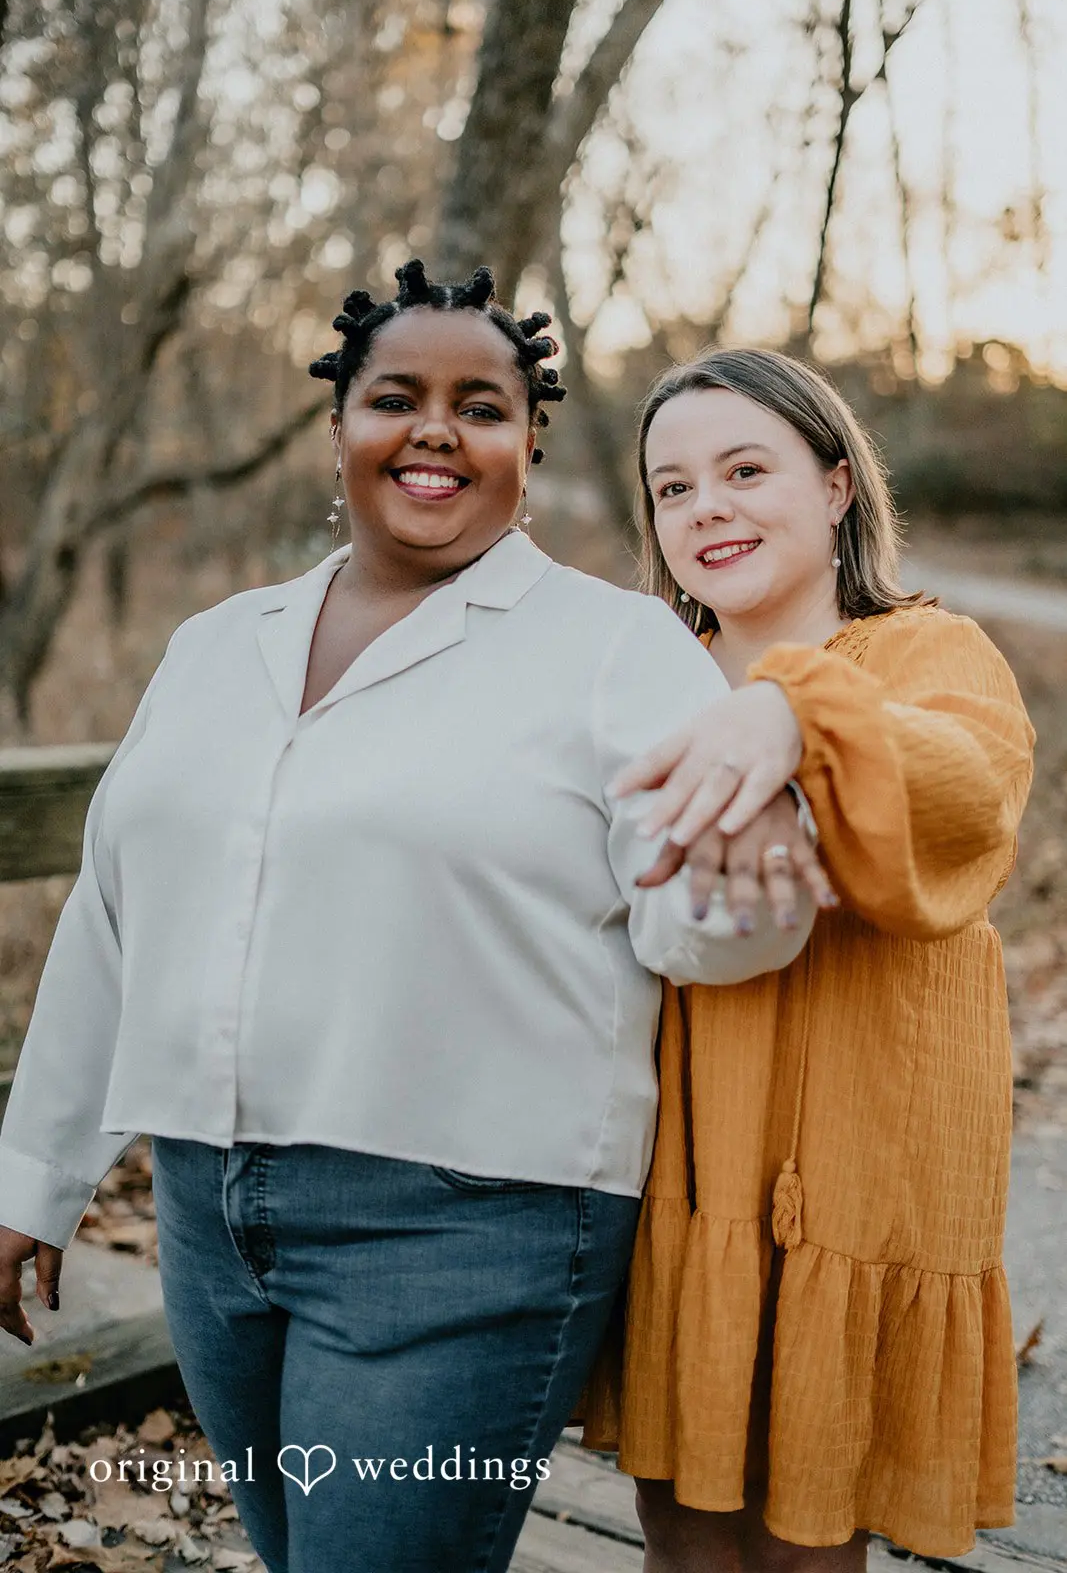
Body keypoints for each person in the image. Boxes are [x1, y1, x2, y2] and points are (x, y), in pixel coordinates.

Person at [0, 266, 829, 1573]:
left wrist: (746, 887)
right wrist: (32, 1178)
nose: (436, 429)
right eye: (397, 397)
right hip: (208, 1216)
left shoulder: (611, 650)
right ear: (339, 430)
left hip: (466, 1223)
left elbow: (698, 925)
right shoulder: (219, 644)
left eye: (481, 406)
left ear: (526, 444)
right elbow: (115, 920)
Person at [580, 348, 1035, 1572]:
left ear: (835, 486)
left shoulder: (926, 655)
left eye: (743, 469)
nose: (705, 507)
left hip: (853, 1161)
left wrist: (797, 711)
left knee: (802, 1532)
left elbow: (971, 790)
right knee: (681, 1524)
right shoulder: (640, 681)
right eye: (671, 489)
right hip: (686, 1162)